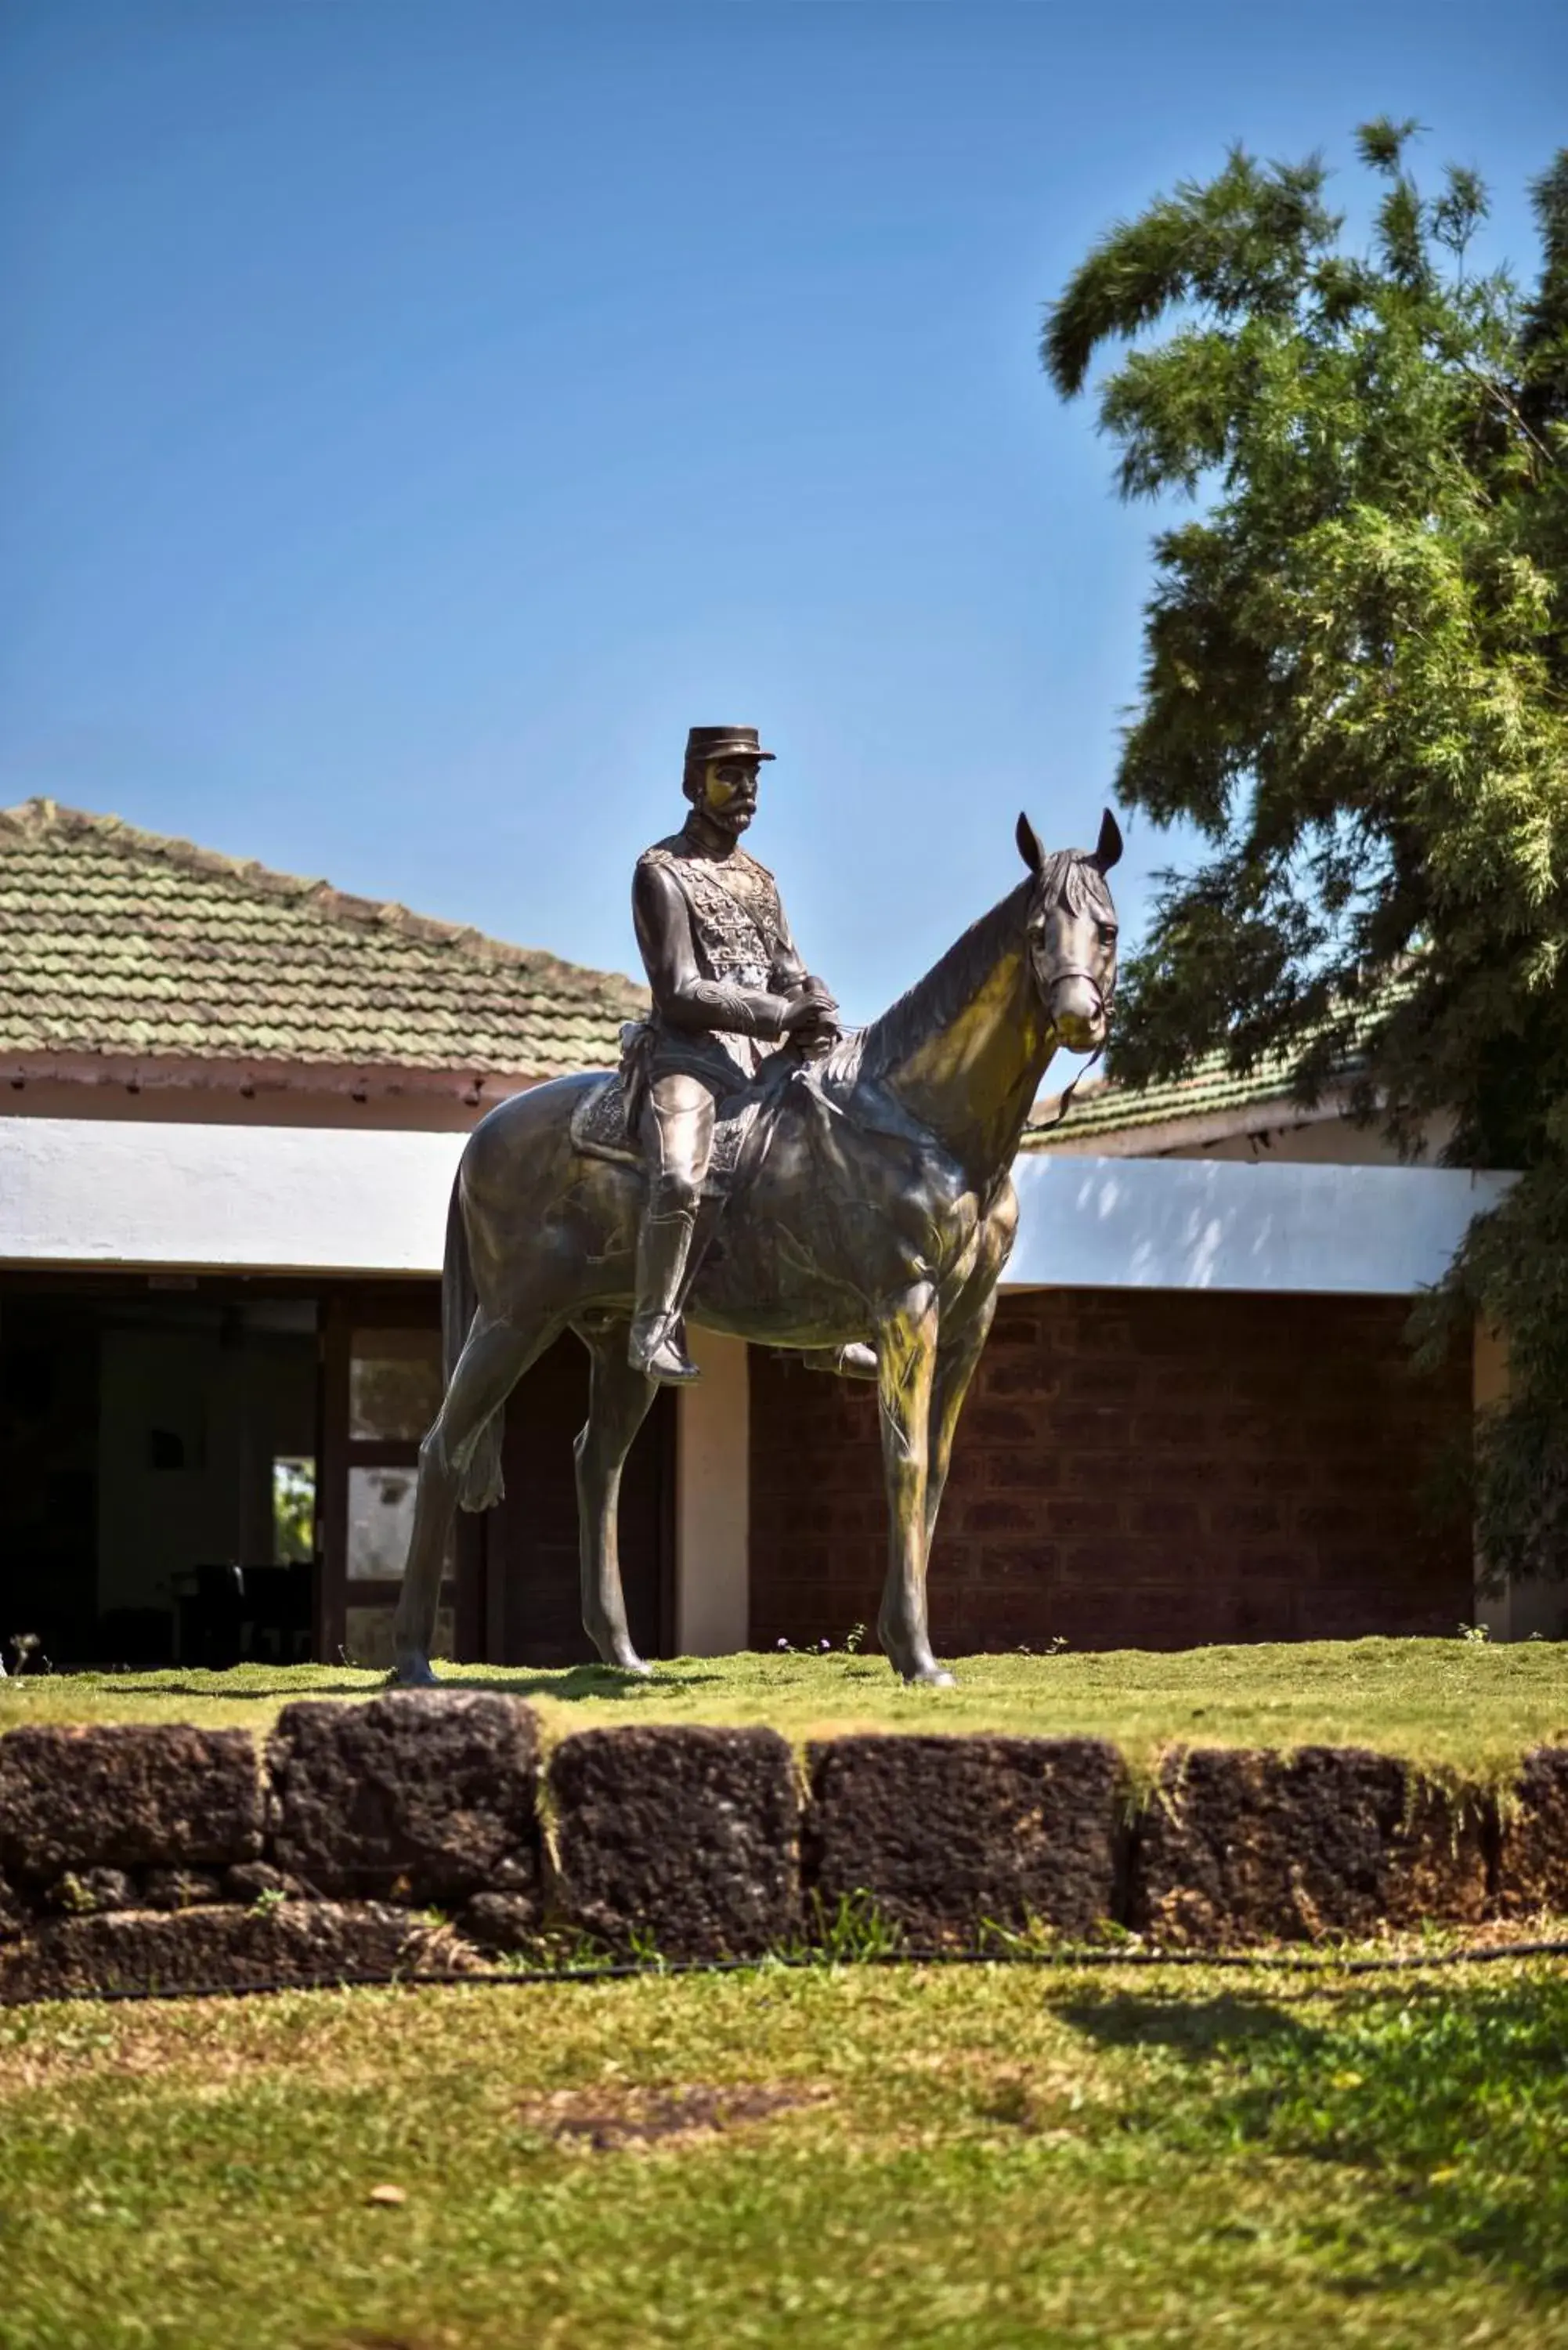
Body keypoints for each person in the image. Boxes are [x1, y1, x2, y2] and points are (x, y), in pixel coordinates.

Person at [625, 725, 871, 1384]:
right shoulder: (661, 872)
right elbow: (678, 989)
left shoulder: (761, 880)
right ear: (692, 783)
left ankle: (826, 1321)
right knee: (680, 1174)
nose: (746, 790)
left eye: (753, 776)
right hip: (690, 1057)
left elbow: (785, 968)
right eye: (729, 775)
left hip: (763, 1063)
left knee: (838, 1144)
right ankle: (655, 1322)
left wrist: (812, 1000)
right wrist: (777, 1015)